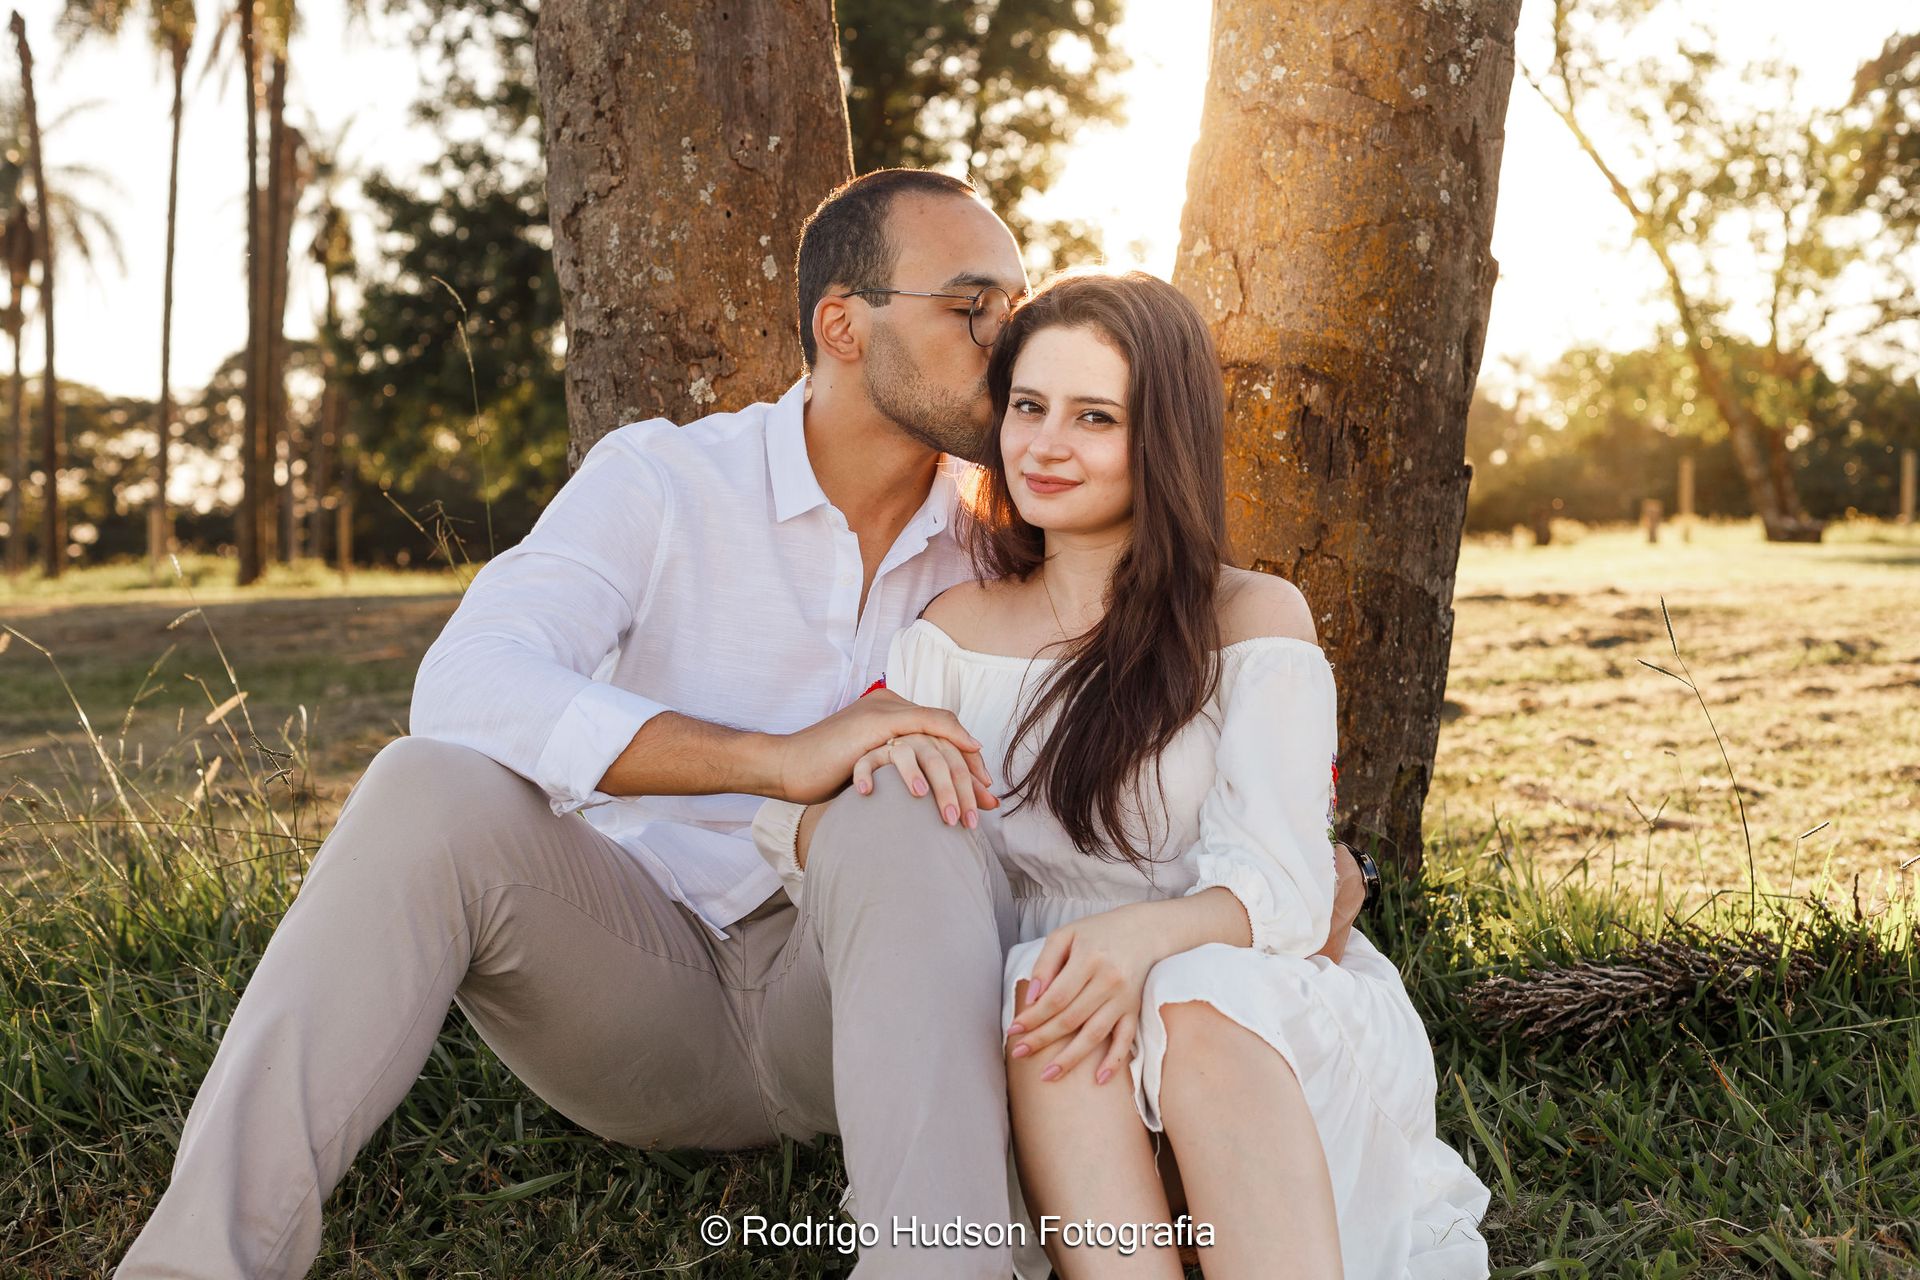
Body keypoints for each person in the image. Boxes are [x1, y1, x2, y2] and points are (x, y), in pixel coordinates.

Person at [114, 168, 1372, 1279]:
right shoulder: (663, 481)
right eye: (975, 307)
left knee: (893, 793)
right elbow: (470, 683)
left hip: (863, 993)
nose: (1014, 346)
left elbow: (1170, 700)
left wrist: (1280, 877)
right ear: (844, 324)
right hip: (636, 977)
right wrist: (778, 760)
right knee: (424, 785)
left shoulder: (1012, 544)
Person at [761, 270, 1493, 1279]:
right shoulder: (948, 635)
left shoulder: (1250, 616)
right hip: (1051, 1042)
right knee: (1043, 984)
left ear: (1162, 438)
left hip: (1241, 1007)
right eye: (1028, 406)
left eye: (1095, 416)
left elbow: (1288, 882)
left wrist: (1138, 935)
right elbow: (821, 841)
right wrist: (862, 766)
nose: (1047, 444)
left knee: (1191, 990)